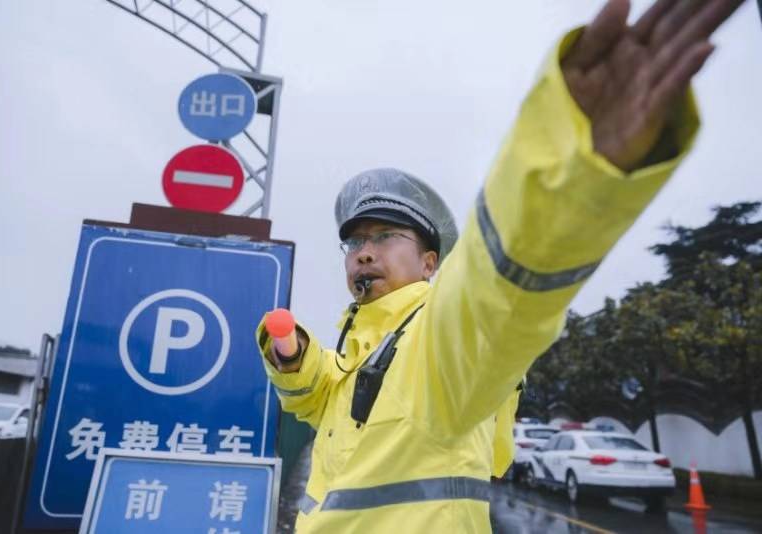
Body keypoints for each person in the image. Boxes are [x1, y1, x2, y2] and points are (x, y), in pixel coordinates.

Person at [257, 1, 745, 532]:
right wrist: (295, 362)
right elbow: (317, 399)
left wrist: (572, 168)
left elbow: (499, 292)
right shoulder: (360, 351)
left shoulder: (435, 341)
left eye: (385, 236)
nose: (364, 252)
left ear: (429, 262)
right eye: (354, 242)